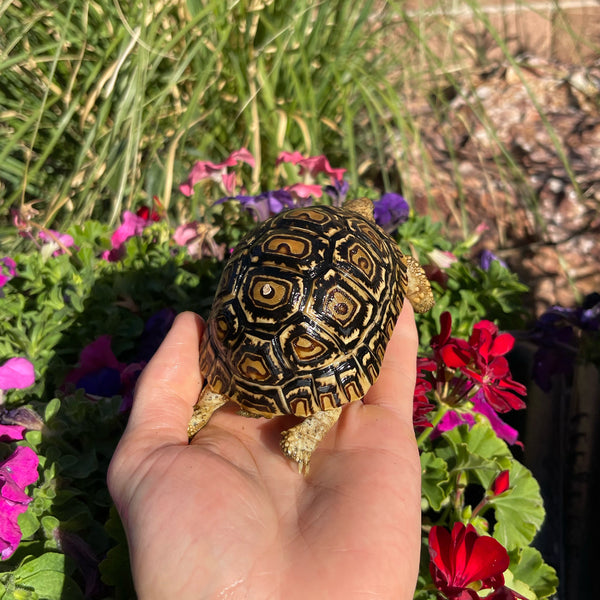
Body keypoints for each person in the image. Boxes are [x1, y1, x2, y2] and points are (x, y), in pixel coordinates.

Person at [107, 305, 422, 599]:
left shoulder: (224, 384)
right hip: (307, 364)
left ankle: (233, 406)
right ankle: (298, 431)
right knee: (328, 405)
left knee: (223, 388)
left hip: (244, 360)